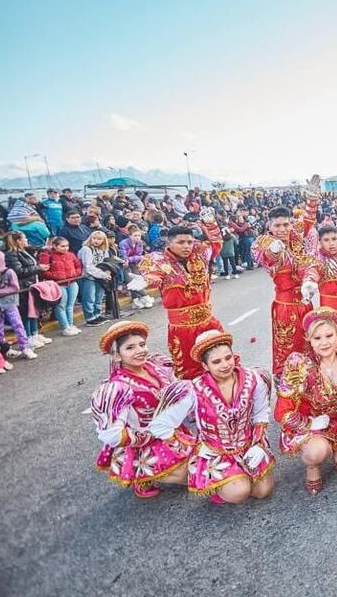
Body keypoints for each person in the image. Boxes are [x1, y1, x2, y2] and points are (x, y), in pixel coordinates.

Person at [90, 321, 194, 499]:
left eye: (142, 344)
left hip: (172, 433)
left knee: (202, 464)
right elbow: (112, 435)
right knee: (191, 475)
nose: (140, 350)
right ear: (116, 356)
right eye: (130, 348)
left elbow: (179, 391)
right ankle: (140, 473)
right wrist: (149, 435)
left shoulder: (156, 366)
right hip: (145, 444)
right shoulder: (118, 388)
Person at [276, 307, 337, 495]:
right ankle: (313, 467)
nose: (324, 343)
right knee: (316, 452)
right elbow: (282, 412)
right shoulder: (300, 365)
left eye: (329, 336)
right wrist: (310, 423)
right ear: (308, 339)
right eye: (317, 338)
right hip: (314, 422)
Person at [187, 330, 276, 504]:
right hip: (216, 451)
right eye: (216, 361)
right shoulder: (194, 389)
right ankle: (217, 483)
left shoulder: (252, 378)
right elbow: (164, 425)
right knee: (239, 493)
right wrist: (195, 447)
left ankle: (237, 476)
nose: (225, 365)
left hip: (248, 443)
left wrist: (258, 444)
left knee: (262, 491)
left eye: (228, 358)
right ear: (205, 366)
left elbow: (260, 412)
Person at [138, 216, 224, 379]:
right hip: (182, 328)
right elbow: (154, 276)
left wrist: (212, 225)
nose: (186, 246)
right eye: (181, 242)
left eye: (189, 242)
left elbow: (216, 244)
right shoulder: (157, 261)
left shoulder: (200, 253)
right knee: (189, 370)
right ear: (169, 243)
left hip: (208, 321)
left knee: (220, 364)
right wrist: (146, 280)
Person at [252, 205, 315, 376]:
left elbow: (307, 222)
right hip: (285, 306)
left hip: (306, 302)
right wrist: (273, 251)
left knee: (311, 345)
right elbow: (262, 256)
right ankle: (287, 389)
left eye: (286, 225)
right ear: (270, 226)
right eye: (277, 226)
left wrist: (312, 200)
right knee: (287, 348)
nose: (282, 229)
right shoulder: (264, 242)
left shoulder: (295, 236)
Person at [2, 231, 50, 349]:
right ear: (18, 241)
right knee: (26, 313)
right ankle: (28, 336)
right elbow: (18, 272)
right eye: (24, 238)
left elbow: (35, 248)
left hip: (32, 284)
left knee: (34, 311)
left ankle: (35, 333)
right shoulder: (11, 255)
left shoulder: (23, 251)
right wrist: (38, 268)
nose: (27, 240)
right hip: (23, 287)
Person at [39, 236, 83, 336]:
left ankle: (70, 324)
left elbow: (78, 266)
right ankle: (65, 326)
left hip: (72, 282)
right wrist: (57, 276)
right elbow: (44, 271)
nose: (65, 248)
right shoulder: (48, 255)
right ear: (54, 246)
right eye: (62, 246)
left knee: (70, 305)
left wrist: (75, 274)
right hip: (58, 284)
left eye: (67, 246)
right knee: (61, 306)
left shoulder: (71, 254)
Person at [78, 230, 114, 327]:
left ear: (103, 240)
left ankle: (97, 314)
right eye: (94, 238)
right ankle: (90, 317)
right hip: (88, 276)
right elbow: (88, 266)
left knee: (99, 296)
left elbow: (106, 262)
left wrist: (107, 271)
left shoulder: (104, 250)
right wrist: (102, 274)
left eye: (99, 239)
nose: (96, 241)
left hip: (100, 276)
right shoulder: (86, 249)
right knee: (89, 297)